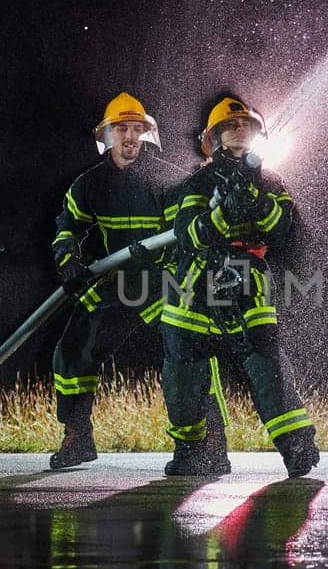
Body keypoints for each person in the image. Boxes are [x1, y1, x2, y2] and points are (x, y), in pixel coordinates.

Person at [48, 92, 226, 470]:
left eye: (136, 129)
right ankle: (78, 436)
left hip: (162, 281)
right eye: (122, 129)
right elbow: (68, 227)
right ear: (107, 135)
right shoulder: (89, 185)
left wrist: (166, 257)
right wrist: (70, 261)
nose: (130, 136)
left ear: (146, 135)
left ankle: (210, 441)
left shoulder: (167, 178)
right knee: (73, 346)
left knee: (188, 347)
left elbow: (190, 232)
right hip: (116, 281)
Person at [159, 94, 320, 478]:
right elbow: (189, 235)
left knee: (266, 366)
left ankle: (297, 446)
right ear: (213, 138)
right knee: (182, 374)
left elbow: (287, 234)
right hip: (197, 287)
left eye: (246, 125)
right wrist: (224, 212)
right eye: (230, 126)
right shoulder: (199, 181)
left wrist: (261, 207)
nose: (240, 130)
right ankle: (196, 450)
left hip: (248, 283)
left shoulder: (272, 182)